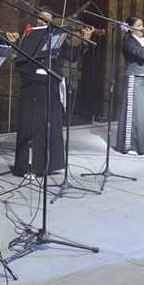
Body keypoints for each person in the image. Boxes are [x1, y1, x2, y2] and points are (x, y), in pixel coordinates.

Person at [12, 9, 91, 176]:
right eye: (41, 18)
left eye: (48, 19)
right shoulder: (29, 36)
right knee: (34, 125)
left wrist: (84, 41)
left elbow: (71, 56)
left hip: (51, 83)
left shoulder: (55, 37)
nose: (44, 22)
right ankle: (29, 166)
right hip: (33, 85)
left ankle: (49, 163)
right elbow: (20, 60)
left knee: (52, 123)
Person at [115, 16, 144, 155]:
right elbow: (141, 54)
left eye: (142, 25)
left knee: (142, 115)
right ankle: (129, 146)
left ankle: (141, 145)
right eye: (139, 25)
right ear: (130, 28)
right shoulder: (128, 42)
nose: (142, 28)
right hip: (134, 78)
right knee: (132, 113)